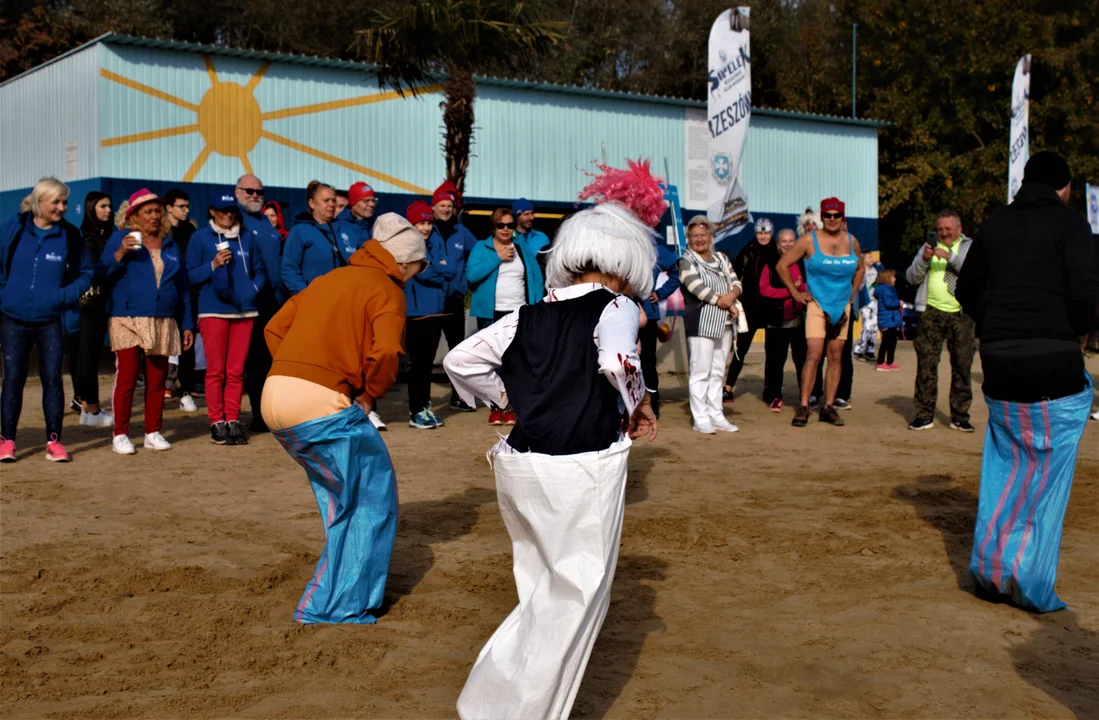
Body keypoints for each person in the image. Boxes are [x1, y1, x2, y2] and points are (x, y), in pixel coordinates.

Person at [444, 201, 659, 720]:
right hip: (582, 465)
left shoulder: (527, 312)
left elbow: (459, 360)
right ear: (627, 260)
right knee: (574, 600)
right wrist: (640, 401)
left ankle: (488, 704)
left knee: (540, 590)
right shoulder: (619, 305)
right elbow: (614, 361)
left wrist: (509, 398)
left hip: (520, 461)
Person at [261, 212, 425, 624]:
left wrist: (300, 366)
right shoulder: (388, 290)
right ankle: (337, 608)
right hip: (320, 402)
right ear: (404, 264)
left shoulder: (327, 279)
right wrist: (367, 395)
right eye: (419, 268)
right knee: (371, 499)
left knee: (343, 497)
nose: (417, 276)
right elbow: (387, 352)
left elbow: (274, 328)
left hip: (275, 394)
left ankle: (332, 599)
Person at [957, 151, 1098, 613]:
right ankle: (1030, 580)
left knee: (1009, 463)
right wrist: (1074, 332)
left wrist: (996, 323)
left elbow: (966, 290)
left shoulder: (996, 222)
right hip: (1054, 359)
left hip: (999, 361)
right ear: (1063, 187)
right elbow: (1084, 296)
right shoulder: (1072, 224)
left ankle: (990, 573)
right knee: (1046, 472)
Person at [0, 178, 92, 463]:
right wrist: (5, 293)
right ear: (39, 202)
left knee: (52, 380)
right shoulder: (13, 229)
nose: (62, 208)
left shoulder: (70, 236)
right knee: (13, 380)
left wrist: (61, 296)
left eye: (64, 202)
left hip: (51, 319)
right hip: (13, 319)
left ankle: (54, 442)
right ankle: (7, 441)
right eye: (55, 202)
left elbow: (86, 273)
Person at [97, 189, 194, 455]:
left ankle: (153, 432)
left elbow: (181, 287)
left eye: (157, 211)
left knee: (158, 379)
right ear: (134, 216)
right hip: (127, 317)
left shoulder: (170, 243)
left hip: (163, 317)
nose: (154, 216)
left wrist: (186, 323)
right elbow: (102, 274)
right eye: (147, 211)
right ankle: (120, 434)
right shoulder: (121, 238)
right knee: (127, 377)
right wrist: (120, 253)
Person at [187, 191, 267, 446]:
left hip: (244, 312)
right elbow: (190, 276)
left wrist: (252, 290)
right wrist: (212, 265)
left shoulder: (247, 237)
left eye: (231, 210)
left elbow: (260, 271)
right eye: (222, 210)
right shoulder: (199, 238)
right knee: (216, 371)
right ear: (211, 211)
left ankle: (232, 419)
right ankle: (216, 421)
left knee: (235, 372)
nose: (227, 214)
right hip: (214, 311)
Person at [776, 197, 864, 428]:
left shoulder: (851, 241)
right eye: (828, 215)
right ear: (822, 217)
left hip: (841, 306)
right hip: (816, 305)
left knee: (836, 357)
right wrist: (796, 294)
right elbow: (782, 265)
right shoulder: (809, 240)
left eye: (837, 215)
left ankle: (829, 407)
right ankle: (804, 405)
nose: (832, 219)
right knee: (813, 355)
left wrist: (853, 294)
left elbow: (861, 267)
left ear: (843, 217)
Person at [467, 208, 544, 425]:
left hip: (519, 312)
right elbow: (471, 276)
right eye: (501, 225)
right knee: (493, 362)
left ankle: (511, 407)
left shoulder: (522, 248)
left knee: (516, 361)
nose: (506, 229)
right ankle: (496, 406)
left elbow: (536, 278)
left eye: (510, 225)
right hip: (491, 313)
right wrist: (497, 258)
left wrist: (537, 307)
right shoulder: (482, 248)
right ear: (493, 227)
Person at [905, 208, 976, 431]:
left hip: (961, 313)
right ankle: (924, 414)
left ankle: (960, 416)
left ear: (959, 229)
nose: (943, 233)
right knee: (926, 364)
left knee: (962, 365)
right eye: (940, 229)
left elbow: (975, 274)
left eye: (948, 229)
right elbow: (911, 277)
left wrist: (950, 257)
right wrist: (924, 260)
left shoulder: (970, 247)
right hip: (931, 311)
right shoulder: (927, 248)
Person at [679, 215, 743, 434]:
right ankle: (700, 417)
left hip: (724, 323)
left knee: (717, 371)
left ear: (710, 237)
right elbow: (696, 287)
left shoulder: (721, 258)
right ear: (688, 238)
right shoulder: (686, 260)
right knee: (700, 370)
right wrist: (724, 301)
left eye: (703, 235)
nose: (699, 239)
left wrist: (732, 294)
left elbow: (736, 282)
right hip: (701, 323)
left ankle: (716, 413)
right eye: (694, 235)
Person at [235, 174, 284, 434]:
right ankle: (255, 415)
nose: (254, 195)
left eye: (259, 192)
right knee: (253, 364)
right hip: (248, 304)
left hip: (273, 303)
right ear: (237, 192)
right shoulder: (235, 221)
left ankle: (267, 412)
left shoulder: (266, 222)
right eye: (249, 191)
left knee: (269, 362)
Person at [403, 202, 457, 430]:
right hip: (416, 314)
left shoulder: (435, 243)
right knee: (419, 365)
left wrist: (431, 268)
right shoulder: (406, 246)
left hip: (435, 312)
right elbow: (424, 275)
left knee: (425, 366)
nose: (425, 228)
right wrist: (434, 270)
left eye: (428, 223)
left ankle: (423, 408)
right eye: (420, 223)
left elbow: (449, 270)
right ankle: (416, 411)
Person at [67, 191, 115, 427]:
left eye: (109, 206)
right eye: (102, 206)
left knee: (91, 354)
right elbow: (95, 270)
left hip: (104, 301)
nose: (107, 210)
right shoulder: (86, 236)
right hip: (90, 303)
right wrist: (120, 254)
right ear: (91, 208)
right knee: (88, 354)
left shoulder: (110, 233)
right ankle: (90, 408)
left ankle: (90, 407)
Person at [431, 182, 478, 413]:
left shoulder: (461, 232)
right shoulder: (426, 230)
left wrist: (465, 278)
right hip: (431, 299)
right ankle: (422, 401)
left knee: (456, 350)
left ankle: (458, 396)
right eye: (442, 205)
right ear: (434, 207)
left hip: (454, 300)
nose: (446, 209)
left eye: (449, 205)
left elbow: (477, 252)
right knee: (427, 353)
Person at [724, 217, 775, 401]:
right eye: (760, 233)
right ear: (756, 233)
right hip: (750, 308)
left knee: (772, 352)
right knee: (740, 349)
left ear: (771, 233)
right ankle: (728, 387)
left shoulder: (777, 252)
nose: (763, 236)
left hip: (772, 308)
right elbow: (735, 276)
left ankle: (769, 389)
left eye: (766, 232)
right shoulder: (748, 251)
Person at [759, 228, 807, 412]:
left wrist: (799, 290)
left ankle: (805, 397)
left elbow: (806, 286)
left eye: (791, 240)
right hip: (776, 320)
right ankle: (775, 395)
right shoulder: (770, 264)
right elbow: (765, 289)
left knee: (801, 361)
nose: (788, 244)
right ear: (778, 245)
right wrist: (791, 292)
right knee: (775, 362)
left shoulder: (802, 263)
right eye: (784, 241)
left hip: (798, 320)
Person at [163, 189, 200, 412]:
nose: (186, 210)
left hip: (187, 291)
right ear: (169, 208)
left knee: (188, 342)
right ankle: (161, 387)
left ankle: (185, 391)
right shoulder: (161, 231)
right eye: (181, 206)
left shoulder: (191, 229)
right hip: (166, 292)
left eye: (187, 206)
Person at [281, 181, 352, 296]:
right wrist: (306, 294)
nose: (331, 204)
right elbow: (289, 270)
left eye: (334, 200)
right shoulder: (300, 231)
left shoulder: (343, 230)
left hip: (341, 299)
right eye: (326, 200)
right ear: (312, 203)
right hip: (313, 299)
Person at [639, 242, 680, 417]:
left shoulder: (654, 249)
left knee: (647, 363)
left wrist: (660, 293)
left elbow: (677, 272)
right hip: (620, 313)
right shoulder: (618, 245)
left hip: (647, 316)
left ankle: (652, 404)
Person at [854, 250, 883, 361]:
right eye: (869, 257)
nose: (872, 259)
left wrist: (880, 266)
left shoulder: (875, 270)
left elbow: (882, 277)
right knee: (867, 325)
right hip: (866, 302)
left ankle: (870, 349)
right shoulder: (861, 272)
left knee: (874, 326)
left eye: (872, 257)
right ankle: (858, 349)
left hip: (875, 301)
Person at [874, 269, 903, 370]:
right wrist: (899, 303)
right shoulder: (885, 289)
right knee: (886, 341)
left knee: (893, 341)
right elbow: (889, 303)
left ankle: (890, 361)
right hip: (887, 319)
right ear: (887, 278)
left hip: (892, 319)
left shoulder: (889, 289)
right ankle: (880, 362)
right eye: (893, 277)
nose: (895, 279)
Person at [512, 197, 550, 273]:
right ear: (517, 216)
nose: (531, 218)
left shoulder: (542, 238)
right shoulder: (509, 238)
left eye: (532, 213)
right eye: (526, 214)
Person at [336, 181, 376, 249]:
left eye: (373, 200)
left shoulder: (376, 225)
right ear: (353, 204)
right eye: (366, 201)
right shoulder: (338, 228)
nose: (372, 204)